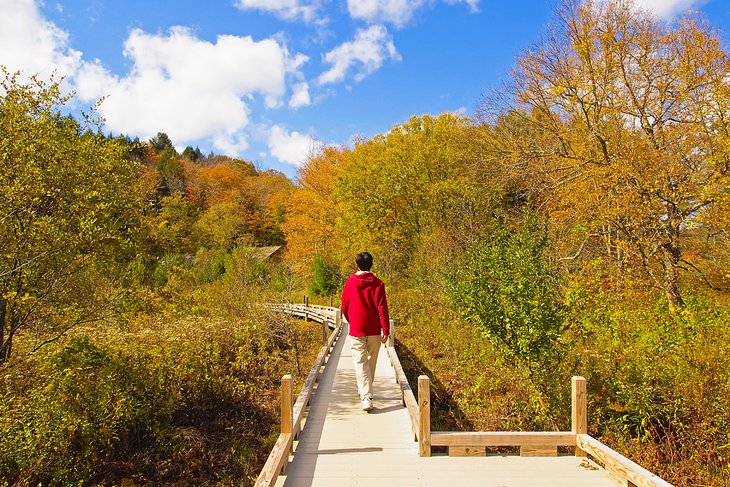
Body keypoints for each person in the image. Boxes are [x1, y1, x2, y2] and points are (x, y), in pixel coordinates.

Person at [341, 252, 390, 412]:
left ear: (357, 265)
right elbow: (382, 308)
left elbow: (345, 306)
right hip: (374, 329)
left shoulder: (350, 283)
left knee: (360, 362)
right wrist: (385, 329)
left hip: (357, 329)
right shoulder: (378, 284)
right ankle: (366, 394)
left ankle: (366, 394)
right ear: (371, 264)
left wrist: (352, 321)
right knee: (371, 361)